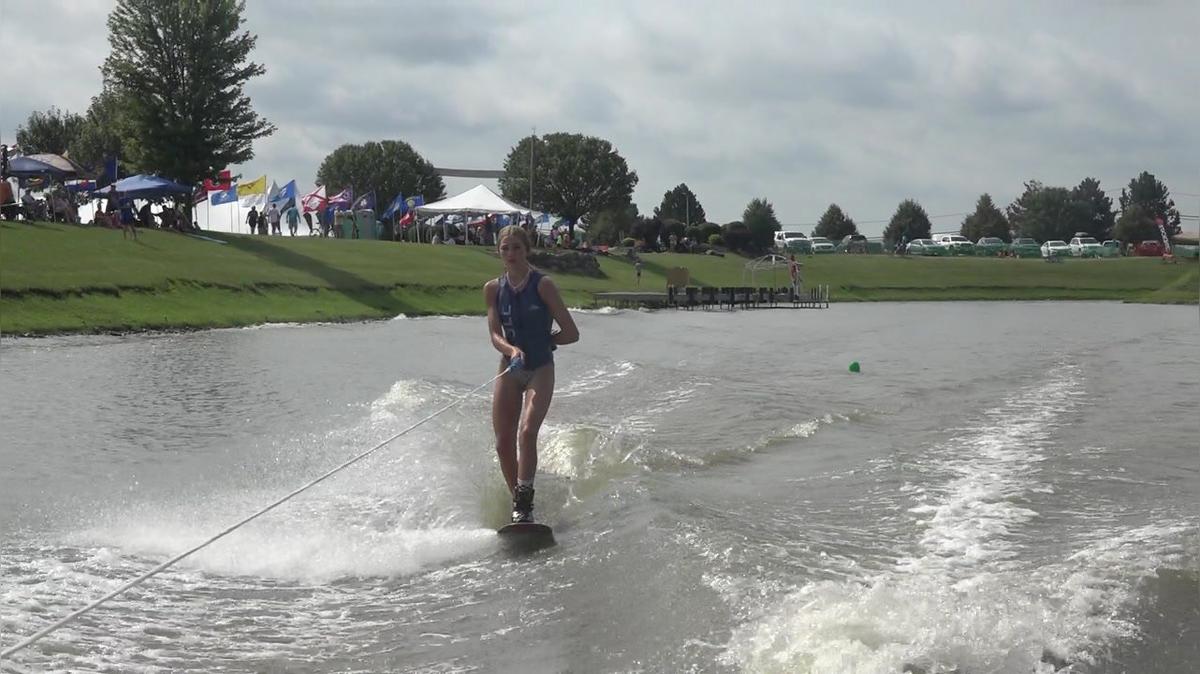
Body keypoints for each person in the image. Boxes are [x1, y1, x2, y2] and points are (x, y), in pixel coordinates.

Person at [485, 225, 580, 524]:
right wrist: (512, 349)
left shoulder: (543, 285)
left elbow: (571, 333)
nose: (511, 253)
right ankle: (520, 503)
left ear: (527, 250)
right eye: (505, 248)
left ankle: (524, 503)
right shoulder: (493, 289)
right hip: (510, 368)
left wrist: (546, 341)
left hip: (540, 368)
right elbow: (494, 334)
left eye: (517, 247)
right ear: (499, 252)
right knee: (503, 443)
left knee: (527, 432)